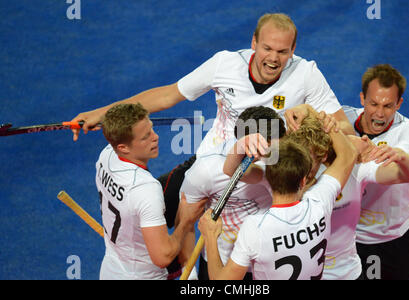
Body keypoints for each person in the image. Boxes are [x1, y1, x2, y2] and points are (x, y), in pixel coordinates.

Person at [70, 13, 355, 230]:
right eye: (267, 48)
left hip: (269, 177)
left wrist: (310, 112)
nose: (273, 58)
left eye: (283, 52)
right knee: (151, 213)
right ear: (254, 42)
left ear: (293, 50)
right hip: (212, 163)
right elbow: (168, 95)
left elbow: (344, 128)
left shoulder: (306, 74)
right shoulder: (224, 65)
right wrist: (104, 112)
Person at [198, 114, 358, 280]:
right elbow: (349, 154)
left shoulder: (254, 228)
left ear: (269, 177)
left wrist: (210, 236)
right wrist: (326, 121)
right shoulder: (320, 201)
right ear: (303, 180)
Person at [286, 112, 409, 280]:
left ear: (323, 154)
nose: (365, 138)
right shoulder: (286, 174)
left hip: (348, 273)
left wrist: (401, 157)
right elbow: (248, 172)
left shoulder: (356, 169)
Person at [95, 103, 205, 280]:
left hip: (112, 269)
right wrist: (185, 222)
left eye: (152, 130)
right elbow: (163, 257)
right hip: (144, 276)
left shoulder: (106, 155)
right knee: (185, 211)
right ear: (123, 147)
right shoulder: (145, 189)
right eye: (145, 137)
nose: (155, 137)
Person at [179, 106, 286, 280]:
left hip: (268, 264)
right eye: (269, 151)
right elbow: (185, 223)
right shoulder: (206, 169)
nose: (276, 157)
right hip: (219, 263)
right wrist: (189, 274)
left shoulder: (283, 161)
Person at [343, 64, 409, 279]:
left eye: (388, 105)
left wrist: (397, 154)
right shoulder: (343, 121)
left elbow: (406, 160)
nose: (379, 113)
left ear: (399, 103)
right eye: (373, 104)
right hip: (351, 240)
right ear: (362, 99)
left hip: (395, 239)